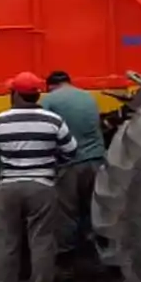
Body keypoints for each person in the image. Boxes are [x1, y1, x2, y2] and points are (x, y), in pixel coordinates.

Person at [0, 72, 77, 282]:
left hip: (8, 189)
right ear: (37, 95)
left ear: (15, 95)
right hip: (42, 187)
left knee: (7, 244)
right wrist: (50, 164)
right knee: (42, 243)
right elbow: (71, 151)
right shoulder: (54, 121)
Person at [41, 69, 106, 255]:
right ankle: (98, 248)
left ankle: (67, 253)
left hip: (70, 164)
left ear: (50, 86)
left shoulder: (49, 100)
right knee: (95, 207)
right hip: (96, 160)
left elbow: (44, 130)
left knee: (67, 211)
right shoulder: (88, 97)